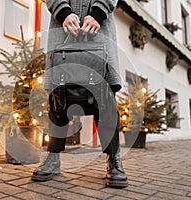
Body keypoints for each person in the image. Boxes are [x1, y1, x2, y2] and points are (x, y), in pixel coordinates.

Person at [31, 0, 128, 188]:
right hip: (63, 30)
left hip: (100, 31)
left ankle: (113, 159)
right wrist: (64, 12)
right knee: (58, 100)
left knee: (106, 101)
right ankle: (53, 157)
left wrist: (98, 12)